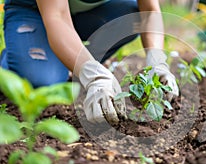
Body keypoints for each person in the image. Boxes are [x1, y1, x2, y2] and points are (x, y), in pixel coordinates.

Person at [0, 0, 179, 124]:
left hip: (87, 13)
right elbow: (57, 16)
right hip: (35, 11)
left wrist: (157, 61)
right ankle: (15, 54)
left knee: (132, 17)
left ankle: (70, 57)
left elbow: (150, 10)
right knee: (41, 81)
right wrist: (93, 77)